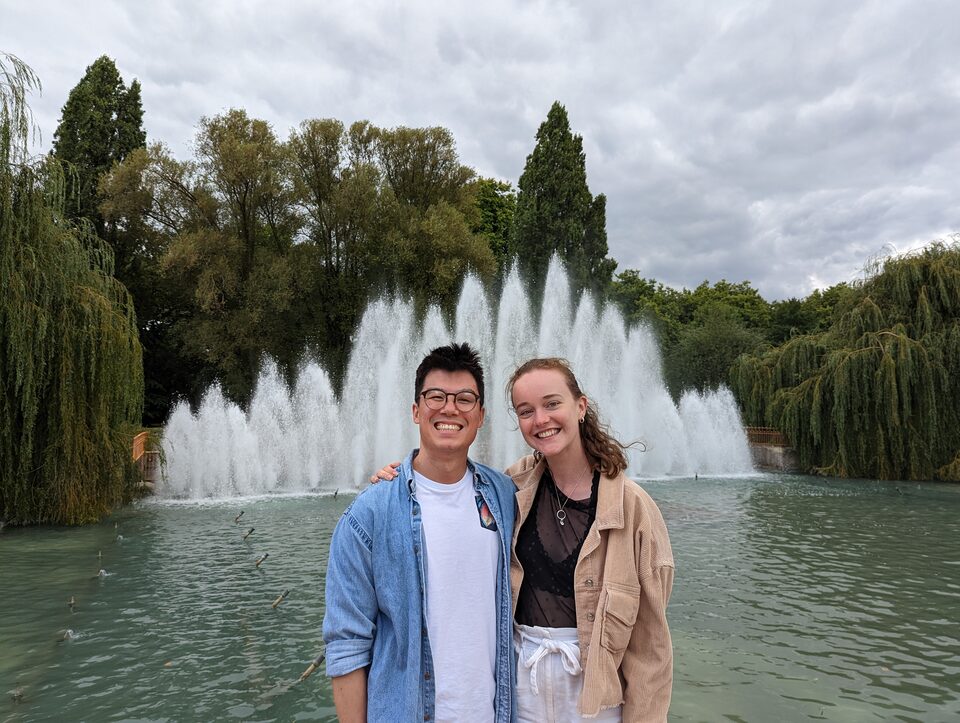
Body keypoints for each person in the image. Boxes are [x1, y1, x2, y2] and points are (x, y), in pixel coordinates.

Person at [375, 357, 674, 722]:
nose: (541, 420)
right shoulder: (511, 488)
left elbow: (650, 648)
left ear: (580, 406)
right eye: (526, 411)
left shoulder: (633, 508)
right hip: (522, 685)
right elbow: (448, 487)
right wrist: (399, 477)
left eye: (552, 404)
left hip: (596, 694)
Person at [323, 342, 517, 723]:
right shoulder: (370, 514)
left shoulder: (505, 495)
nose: (450, 409)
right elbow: (347, 643)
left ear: (480, 415)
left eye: (464, 399)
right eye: (436, 397)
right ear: (416, 410)